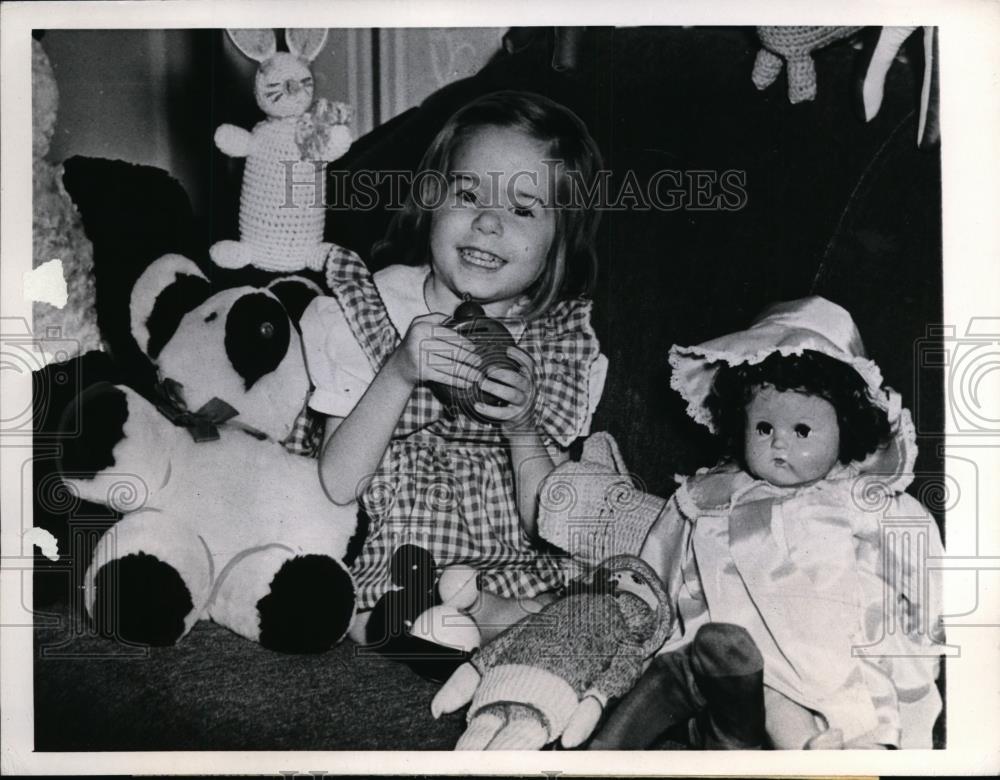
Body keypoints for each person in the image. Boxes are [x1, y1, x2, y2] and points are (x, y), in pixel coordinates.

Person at [539, 297, 945, 749]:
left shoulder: (861, 500)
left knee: (852, 698)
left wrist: (927, 633)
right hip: (732, 660)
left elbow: (921, 568)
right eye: (764, 427)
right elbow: (655, 570)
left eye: (803, 431)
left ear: (845, 428)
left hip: (833, 652)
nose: (779, 445)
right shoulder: (707, 497)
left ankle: (843, 747)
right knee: (763, 691)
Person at [299, 91, 608, 660]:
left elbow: (547, 518)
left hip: (503, 559)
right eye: (468, 194)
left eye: (523, 210)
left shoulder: (553, 342)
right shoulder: (369, 306)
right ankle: (413, 622)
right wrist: (397, 373)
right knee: (374, 598)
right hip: (391, 550)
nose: (488, 222)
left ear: (558, 244)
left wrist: (521, 426)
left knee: (587, 595)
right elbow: (338, 484)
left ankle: (476, 616)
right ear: (432, 200)